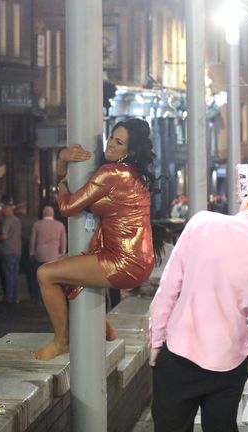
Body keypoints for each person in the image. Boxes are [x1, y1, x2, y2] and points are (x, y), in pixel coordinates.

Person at [149, 177, 248, 432]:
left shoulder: (202, 222)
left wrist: (156, 341)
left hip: (179, 353)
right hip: (230, 364)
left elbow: (168, 288)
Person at [32, 118, 156, 360]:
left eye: (118, 142)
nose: (110, 144)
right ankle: (105, 328)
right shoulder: (130, 173)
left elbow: (68, 206)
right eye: (111, 137)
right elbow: (77, 184)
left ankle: (61, 341)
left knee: (45, 274)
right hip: (137, 257)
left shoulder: (113, 173)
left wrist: (61, 189)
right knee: (70, 273)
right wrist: (63, 160)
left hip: (123, 260)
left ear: (129, 151)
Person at [29, 206, 67, 304]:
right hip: (54, 255)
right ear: (53, 214)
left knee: (39, 278)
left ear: (43, 214)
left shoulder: (37, 225)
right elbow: (63, 242)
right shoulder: (60, 225)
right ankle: (53, 299)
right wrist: (62, 252)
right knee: (54, 279)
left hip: (40, 255)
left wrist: (31, 252)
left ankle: (39, 299)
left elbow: (33, 240)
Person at [0, 201, 21, 304]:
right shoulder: (17, 220)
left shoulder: (6, 220)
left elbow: (4, 236)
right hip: (17, 249)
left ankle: (9, 297)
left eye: (3, 209)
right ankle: (16, 297)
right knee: (15, 274)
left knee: (8, 274)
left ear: (6, 210)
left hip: (7, 250)